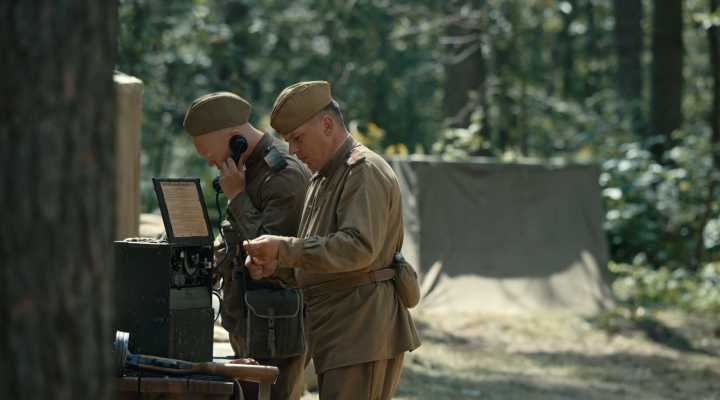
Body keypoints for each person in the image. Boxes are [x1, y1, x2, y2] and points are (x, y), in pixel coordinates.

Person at [243, 81, 421, 400]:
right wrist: (277, 265)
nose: (293, 151)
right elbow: (320, 257)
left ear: (327, 125)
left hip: (361, 332)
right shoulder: (323, 177)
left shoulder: (363, 171)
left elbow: (357, 248)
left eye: (298, 138)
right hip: (338, 332)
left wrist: (284, 249)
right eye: (288, 141)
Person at [183, 92, 310, 400]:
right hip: (248, 320)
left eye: (208, 153)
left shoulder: (283, 176)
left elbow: (270, 256)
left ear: (235, 138)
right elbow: (233, 238)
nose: (210, 162)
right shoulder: (244, 171)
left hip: (276, 329)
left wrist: (238, 197)